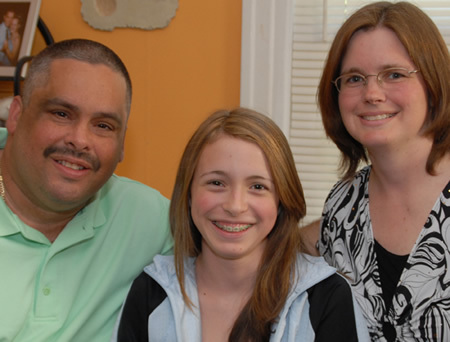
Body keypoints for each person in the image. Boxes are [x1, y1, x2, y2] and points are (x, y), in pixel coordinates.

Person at [112, 108, 370, 341]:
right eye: (216, 183)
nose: (235, 206)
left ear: (281, 200)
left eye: (258, 187)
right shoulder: (151, 293)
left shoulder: (325, 298)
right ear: (188, 194)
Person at [0, 39, 173, 341]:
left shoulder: (149, 219)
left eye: (103, 125)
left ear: (122, 146)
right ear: (16, 114)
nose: (80, 140)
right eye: (61, 114)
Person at [300, 1, 450, 341]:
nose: (372, 93)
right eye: (354, 78)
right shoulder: (343, 204)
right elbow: (303, 243)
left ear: (433, 81)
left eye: (394, 74)